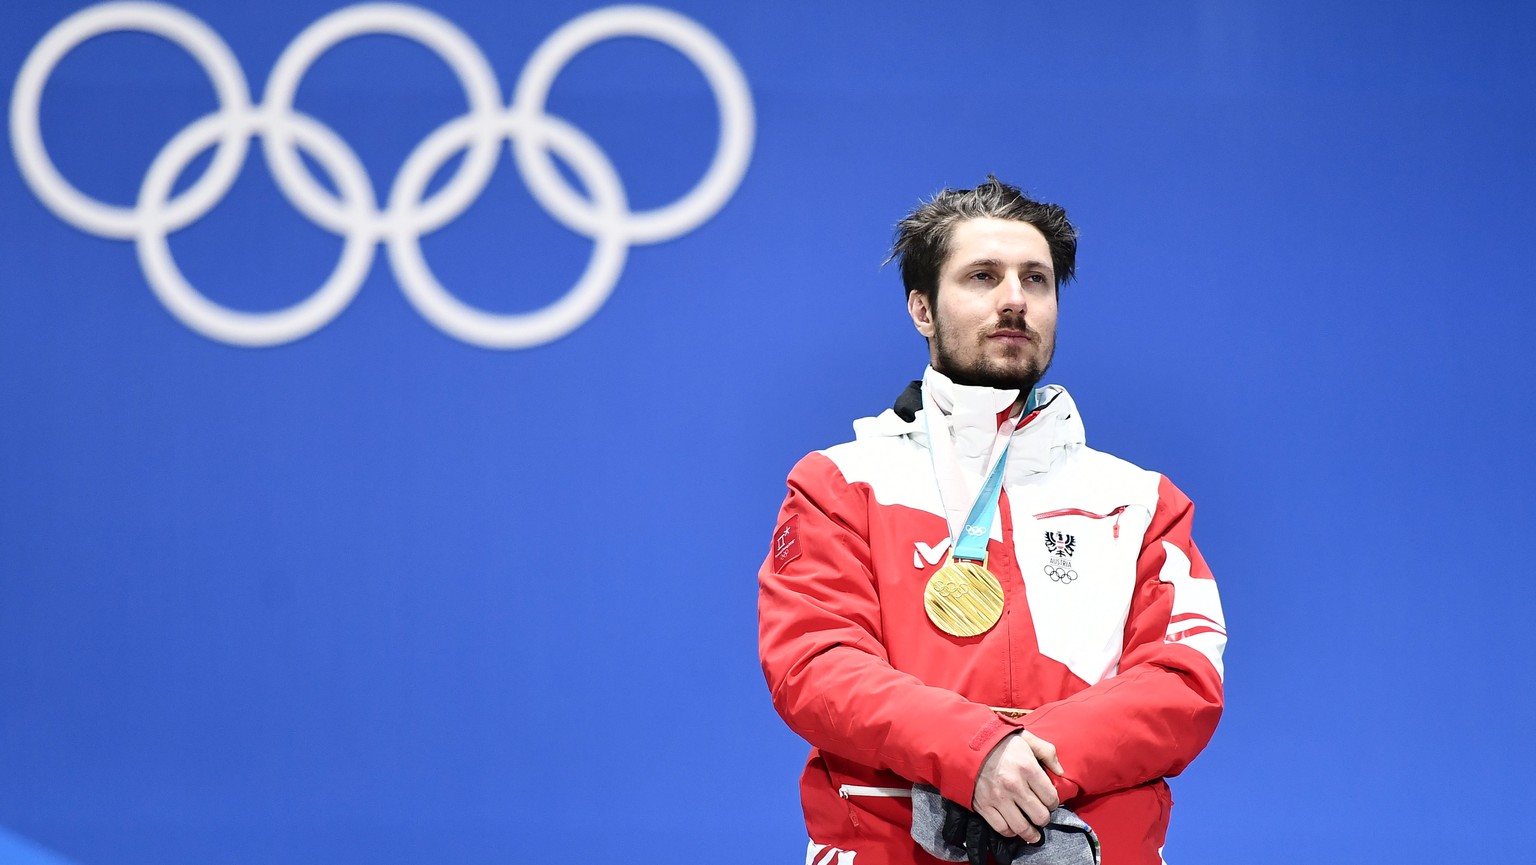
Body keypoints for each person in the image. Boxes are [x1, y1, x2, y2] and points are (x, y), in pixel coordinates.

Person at [757, 178, 1226, 865]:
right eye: (983, 276)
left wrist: (1024, 767)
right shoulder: (841, 482)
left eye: (1035, 279)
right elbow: (816, 664)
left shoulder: (1139, 499)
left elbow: (1183, 680)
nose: (1014, 298)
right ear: (922, 308)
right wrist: (974, 753)